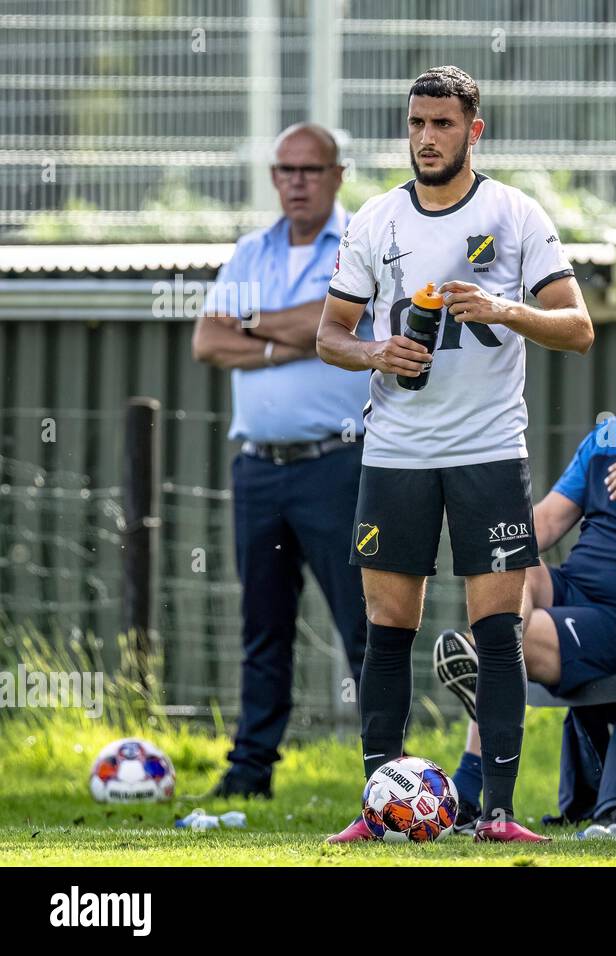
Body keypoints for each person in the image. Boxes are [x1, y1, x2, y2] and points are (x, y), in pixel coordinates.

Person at [317, 66, 593, 844]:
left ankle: (498, 814)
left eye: (442, 124)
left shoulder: (514, 213)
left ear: (474, 131)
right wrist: (378, 353)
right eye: (416, 124)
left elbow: (578, 327)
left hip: (487, 453)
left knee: (497, 630)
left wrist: (504, 308)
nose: (427, 138)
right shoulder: (376, 220)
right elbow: (328, 335)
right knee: (387, 627)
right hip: (397, 454)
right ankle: (378, 809)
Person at [432, 333, 616, 826]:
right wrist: (482, 532)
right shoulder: (611, 439)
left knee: (507, 642)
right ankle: (490, 667)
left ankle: (470, 772)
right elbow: (544, 525)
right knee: (511, 567)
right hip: (573, 590)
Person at [192, 122, 369, 799]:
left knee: (365, 622)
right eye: (286, 170)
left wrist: (256, 321)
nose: (297, 181)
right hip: (259, 469)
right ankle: (249, 774)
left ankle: (387, 771)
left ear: (336, 175)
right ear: (274, 177)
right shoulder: (250, 250)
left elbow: (336, 315)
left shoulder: (362, 245)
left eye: (311, 169)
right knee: (263, 626)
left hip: (338, 466)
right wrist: (292, 339)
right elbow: (207, 337)